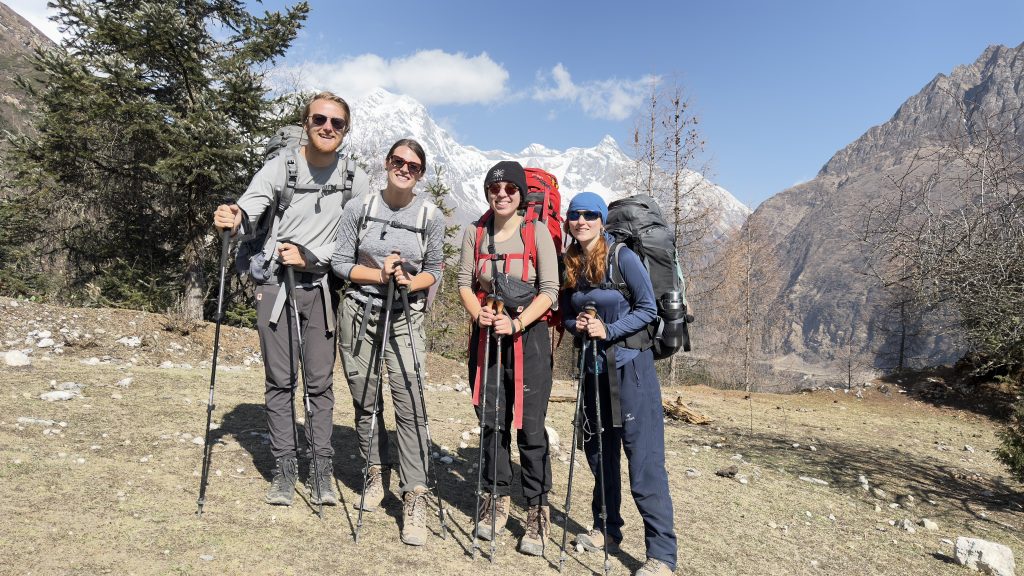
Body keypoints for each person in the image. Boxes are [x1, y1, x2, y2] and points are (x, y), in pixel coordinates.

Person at [213, 91, 370, 508]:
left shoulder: (354, 179)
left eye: (337, 123)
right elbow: (249, 209)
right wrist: (232, 218)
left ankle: (320, 469)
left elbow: (362, 236)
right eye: (319, 119)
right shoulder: (280, 167)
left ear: (345, 130)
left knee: (320, 384)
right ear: (306, 123)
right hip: (275, 287)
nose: (327, 127)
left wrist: (312, 257)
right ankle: (284, 469)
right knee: (280, 381)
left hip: (321, 290)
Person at [331, 138, 444, 546]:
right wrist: (379, 275)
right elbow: (340, 262)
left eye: (413, 166)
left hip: (405, 315)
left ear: (421, 173)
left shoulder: (430, 216)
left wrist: (411, 281)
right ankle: (375, 472)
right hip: (360, 312)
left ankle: (415, 495)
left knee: (410, 402)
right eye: (399, 161)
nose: (404, 169)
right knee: (365, 398)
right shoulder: (359, 208)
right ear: (387, 162)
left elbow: (436, 269)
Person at [560, 192, 678, 576]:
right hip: (594, 371)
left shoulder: (622, 258)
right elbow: (565, 314)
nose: (581, 221)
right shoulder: (571, 261)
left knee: (643, 462)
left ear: (601, 220)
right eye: (575, 215)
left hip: (631, 370)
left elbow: (648, 309)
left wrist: (608, 330)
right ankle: (606, 529)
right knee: (600, 454)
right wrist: (577, 324)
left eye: (589, 214)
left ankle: (662, 555)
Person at [457, 160, 558, 556]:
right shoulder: (475, 232)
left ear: (520, 194)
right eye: (494, 189)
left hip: (529, 338)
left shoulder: (536, 232)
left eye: (509, 189)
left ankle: (536, 510)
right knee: (491, 421)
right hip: (487, 336)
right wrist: (477, 313)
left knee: (530, 428)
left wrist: (517, 324)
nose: (501, 195)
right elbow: (464, 283)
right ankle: (495, 499)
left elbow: (549, 290)